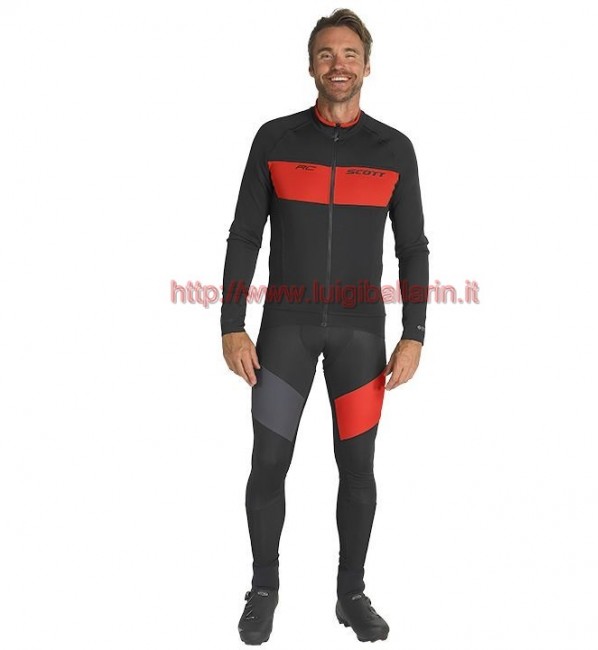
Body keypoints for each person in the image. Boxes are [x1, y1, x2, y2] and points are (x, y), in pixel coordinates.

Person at [220, 8, 430, 645]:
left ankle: (351, 593)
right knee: (268, 463)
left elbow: (413, 247)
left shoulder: (394, 149)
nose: (338, 64)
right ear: (311, 65)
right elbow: (245, 235)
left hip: (360, 333)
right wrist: (232, 324)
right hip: (285, 327)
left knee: (357, 467)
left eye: (349, 54)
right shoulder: (275, 139)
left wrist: (415, 333)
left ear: (367, 65)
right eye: (325, 54)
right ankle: (263, 588)